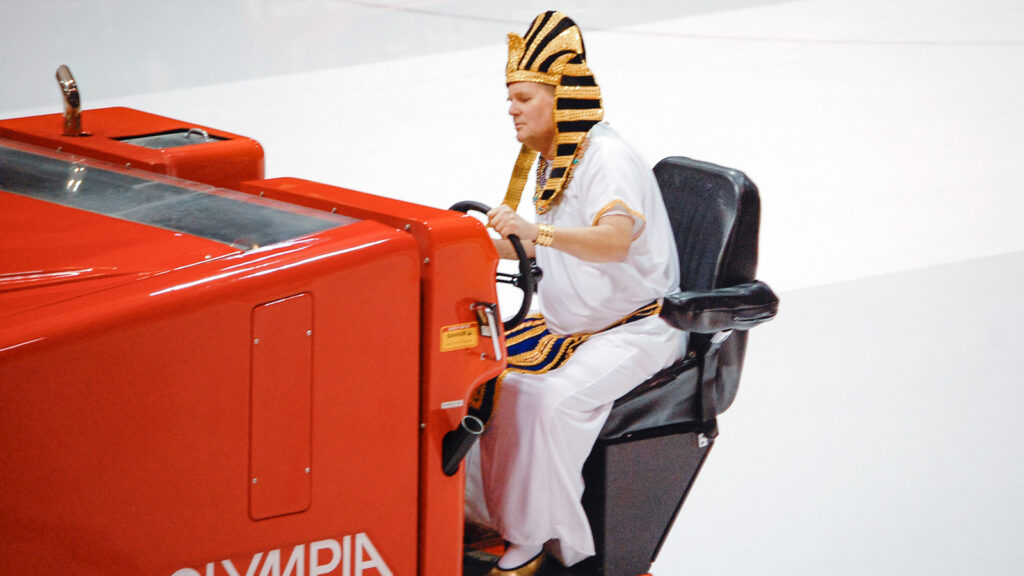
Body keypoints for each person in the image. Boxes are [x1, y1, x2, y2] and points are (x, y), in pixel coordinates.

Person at [466, 11, 687, 576]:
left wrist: (531, 230)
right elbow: (547, 248)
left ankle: (535, 542)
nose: (510, 109)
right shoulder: (553, 160)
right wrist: (463, 250)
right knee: (476, 377)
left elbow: (612, 242)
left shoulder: (606, 159)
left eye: (522, 97)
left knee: (546, 403)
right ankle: (483, 517)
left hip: (636, 328)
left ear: (559, 98)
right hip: (571, 323)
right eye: (509, 98)